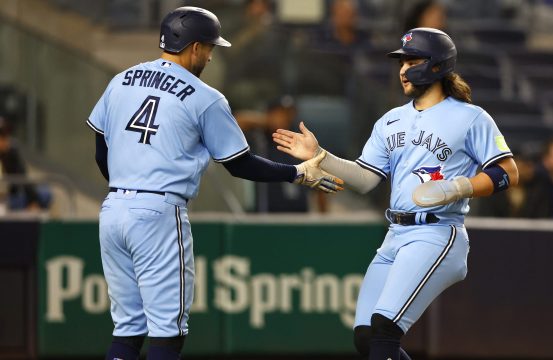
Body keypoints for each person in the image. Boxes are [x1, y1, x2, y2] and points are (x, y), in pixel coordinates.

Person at [86, 7, 343, 360]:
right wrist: (297, 173)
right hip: (158, 212)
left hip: (113, 208)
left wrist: (126, 188)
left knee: (127, 329)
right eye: (208, 47)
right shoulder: (203, 96)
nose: (209, 55)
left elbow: (102, 149)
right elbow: (240, 165)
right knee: (167, 333)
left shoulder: (121, 80)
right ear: (193, 47)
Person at [273, 28, 519, 360]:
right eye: (401, 61)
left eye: (412, 60)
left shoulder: (470, 117)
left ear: (436, 66)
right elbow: (364, 179)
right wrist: (322, 157)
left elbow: (507, 172)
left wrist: (457, 187)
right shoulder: (391, 120)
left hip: (436, 232)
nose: (403, 69)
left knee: (385, 327)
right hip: (396, 234)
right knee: (366, 337)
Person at [0, 117, 42, 212]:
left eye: (5, 136)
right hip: (6, 199)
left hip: (10, 197)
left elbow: (22, 176)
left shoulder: (11, 153)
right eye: (2, 136)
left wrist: (33, 201)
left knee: (45, 194)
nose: (4, 140)